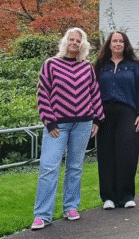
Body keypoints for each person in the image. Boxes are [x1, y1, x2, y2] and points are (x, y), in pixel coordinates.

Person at [31, 28, 104, 230]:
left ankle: (71, 206)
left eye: (78, 40)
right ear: (65, 42)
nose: (74, 43)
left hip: (83, 123)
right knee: (48, 168)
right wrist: (50, 122)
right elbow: (42, 94)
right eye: (71, 39)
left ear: (83, 44)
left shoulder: (86, 67)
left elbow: (94, 93)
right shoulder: (50, 65)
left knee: (75, 167)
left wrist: (97, 119)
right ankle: (42, 215)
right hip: (58, 126)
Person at [94, 30, 139, 209]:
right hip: (104, 114)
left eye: (121, 41)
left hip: (128, 113)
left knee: (127, 154)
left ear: (125, 45)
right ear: (109, 44)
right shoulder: (100, 66)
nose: (117, 44)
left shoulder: (134, 66)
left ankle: (126, 196)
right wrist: (94, 116)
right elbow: (92, 91)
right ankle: (108, 198)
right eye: (114, 41)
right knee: (106, 154)